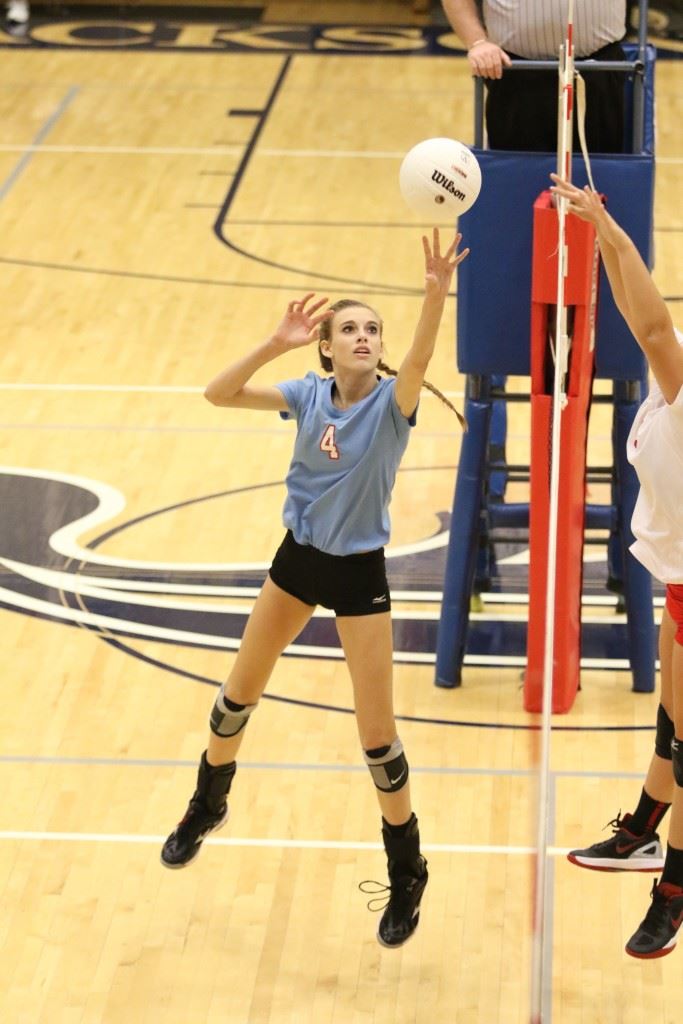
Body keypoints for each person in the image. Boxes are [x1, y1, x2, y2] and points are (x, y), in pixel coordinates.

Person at [160, 229, 469, 949]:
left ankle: (406, 869)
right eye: (349, 329)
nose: (364, 337)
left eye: (372, 329)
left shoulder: (395, 403)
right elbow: (217, 393)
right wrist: (275, 342)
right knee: (236, 695)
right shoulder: (304, 393)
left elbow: (419, 356)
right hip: (296, 561)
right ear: (326, 347)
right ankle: (208, 803)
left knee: (376, 737)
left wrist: (433, 294)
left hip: (359, 574)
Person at [550, 174, 683, 959]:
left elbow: (654, 324)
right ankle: (641, 829)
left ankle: (673, 887)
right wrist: (601, 228)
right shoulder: (669, 395)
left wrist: (606, 229)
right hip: (678, 580)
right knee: (672, 721)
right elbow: (645, 318)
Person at [440, 0, 627, 153]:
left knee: (598, 180)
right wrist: (477, 42)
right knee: (516, 180)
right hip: (516, 72)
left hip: (600, 69)